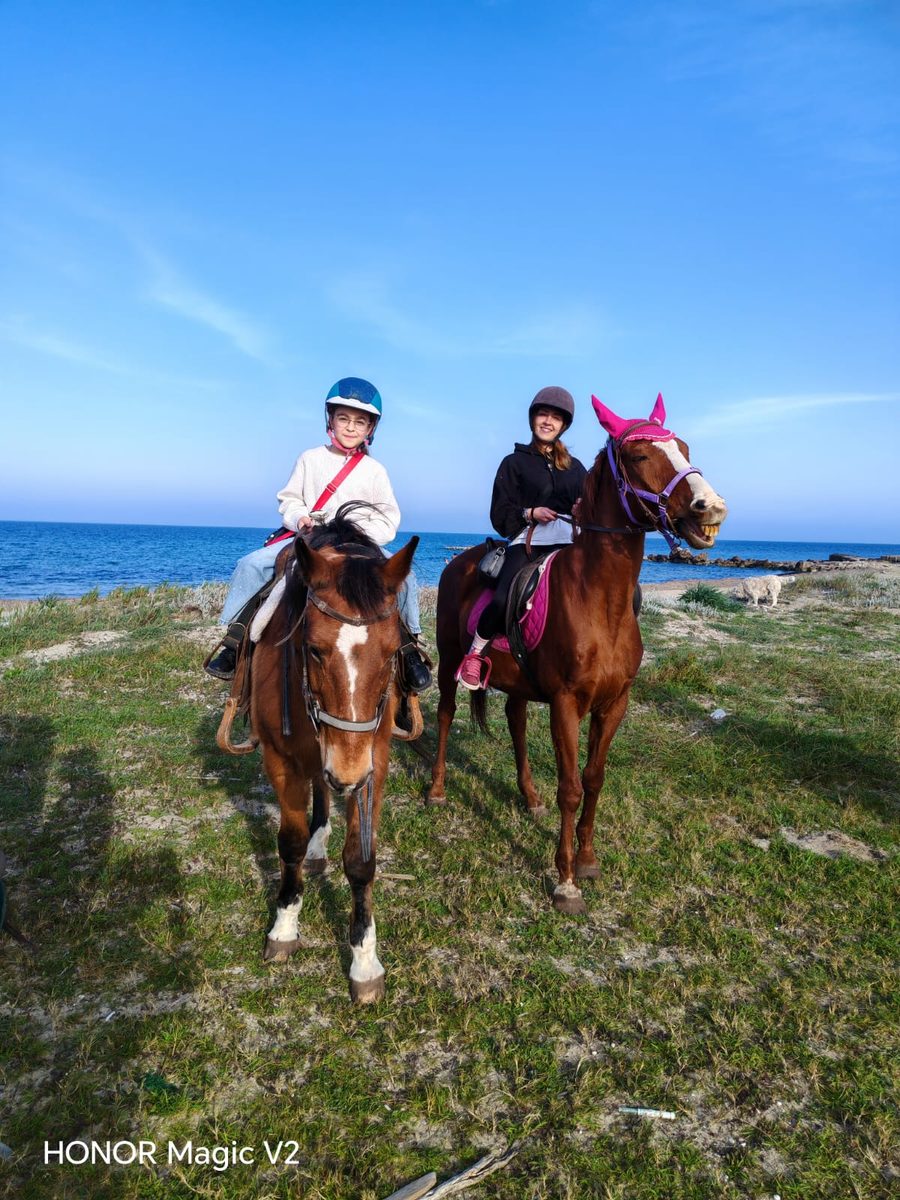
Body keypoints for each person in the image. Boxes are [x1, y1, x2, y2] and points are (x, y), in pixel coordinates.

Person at [205, 377, 432, 691]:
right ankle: (235, 641)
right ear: (331, 420)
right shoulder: (310, 459)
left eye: (360, 422)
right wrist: (299, 518)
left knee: (406, 580)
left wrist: (358, 532)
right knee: (252, 565)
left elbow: (388, 518)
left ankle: (409, 652)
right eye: (344, 419)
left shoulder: (375, 471)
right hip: (311, 540)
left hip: (359, 545)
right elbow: (289, 498)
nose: (351, 428)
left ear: (370, 429)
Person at [455, 386, 587, 691]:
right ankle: (475, 653)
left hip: (570, 543)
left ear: (563, 425)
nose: (548, 421)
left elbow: (589, 503)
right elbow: (499, 513)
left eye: (555, 418)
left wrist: (583, 509)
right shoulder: (513, 464)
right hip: (529, 541)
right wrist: (531, 513)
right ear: (533, 419)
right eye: (543, 414)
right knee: (504, 598)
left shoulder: (577, 468)